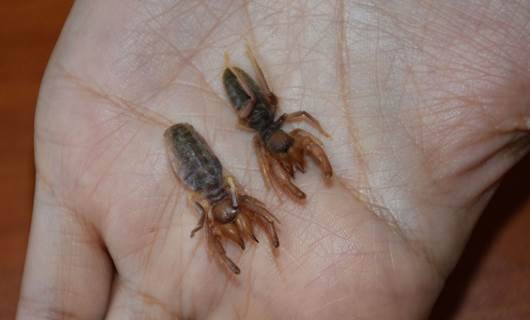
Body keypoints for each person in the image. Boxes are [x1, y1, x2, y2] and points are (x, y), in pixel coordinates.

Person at [17, 1, 530, 319]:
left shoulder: (262, 148)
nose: (292, 160)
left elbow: (273, 170)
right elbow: (256, 188)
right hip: (218, 159)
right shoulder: (237, 176)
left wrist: (295, 189)